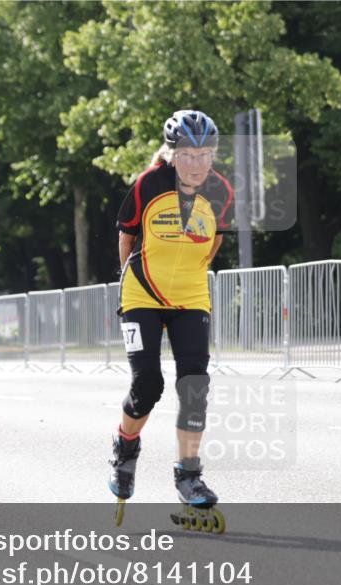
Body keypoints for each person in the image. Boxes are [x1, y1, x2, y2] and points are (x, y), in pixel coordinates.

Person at [108, 110, 233, 519]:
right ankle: (126, 447)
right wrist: (132, 283)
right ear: (172, 153)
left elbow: (211, 244)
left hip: (190, 295)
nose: (196, 162)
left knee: (194, 385)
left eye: (204, 154)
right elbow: (127, 235)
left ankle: (188, 475)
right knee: (148, 384)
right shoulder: (149, 184)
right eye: (187, 154)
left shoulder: (222, 192)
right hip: (142, 291)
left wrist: (191, 276)